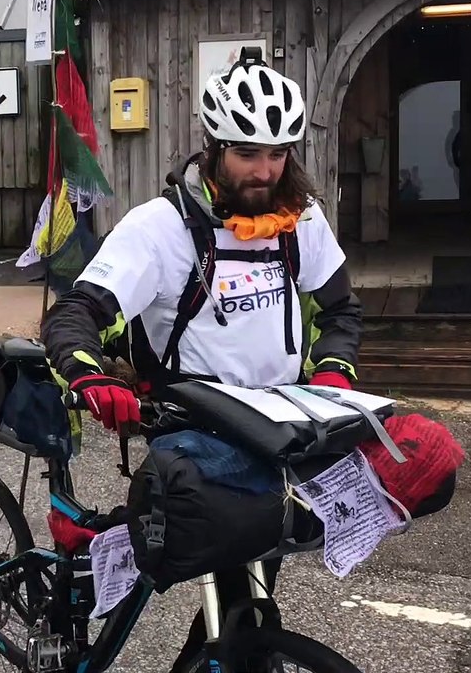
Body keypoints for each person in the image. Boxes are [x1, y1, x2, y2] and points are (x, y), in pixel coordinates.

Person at [39, 52, 362, 669]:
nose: (265, 171)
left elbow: (341, 311)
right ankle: (90, 555)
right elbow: (78, 312)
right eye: (248, 153)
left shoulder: (300, 220)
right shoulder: (160, 229)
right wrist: (88, 374)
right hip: (192, 430)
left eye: (278, 153)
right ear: (213, 146)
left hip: (279, 428)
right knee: (172, 545)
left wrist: (331, 372)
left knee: (249, 594)